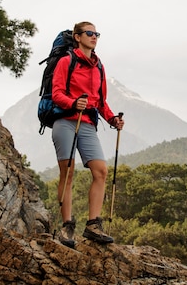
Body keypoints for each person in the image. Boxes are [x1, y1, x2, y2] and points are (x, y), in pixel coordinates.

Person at [51, 21, 125, 248]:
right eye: (89, 33)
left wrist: (112, 119)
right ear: (77, 37)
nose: (94, 37)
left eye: (97, 34)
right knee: (69, 173)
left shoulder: (99, 66)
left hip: (87, 124)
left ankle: (93, 224)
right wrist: (74, 103)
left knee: (101, 171)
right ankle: (67, 227)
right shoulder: (66, 61)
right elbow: (56, 94)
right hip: (65, 122)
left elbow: (100, 102)